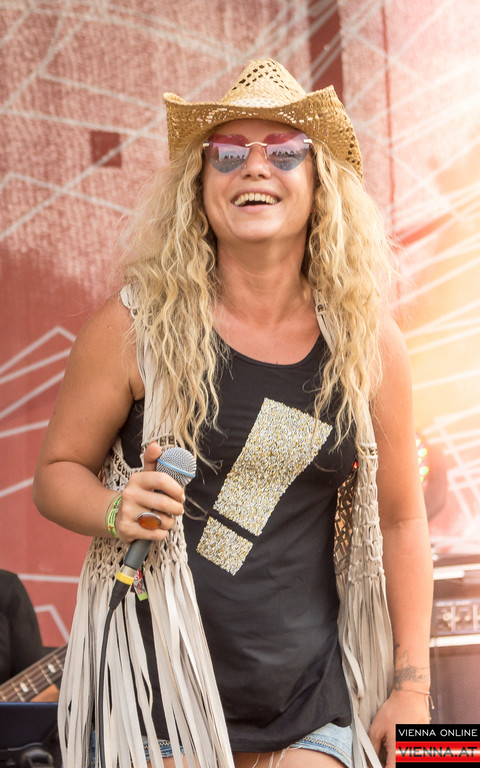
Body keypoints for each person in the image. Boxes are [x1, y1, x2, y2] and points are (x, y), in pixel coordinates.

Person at [32, 59, 433, 768]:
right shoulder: (135, 329)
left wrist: (413, 688)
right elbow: (57, 473)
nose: (254, 166)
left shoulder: (366, 344)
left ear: (320, 184)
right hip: (157, 708)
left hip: (309, 709)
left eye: (283, 151)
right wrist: (115, 509)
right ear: (200, 185)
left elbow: (402, 521)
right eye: (226, 153)